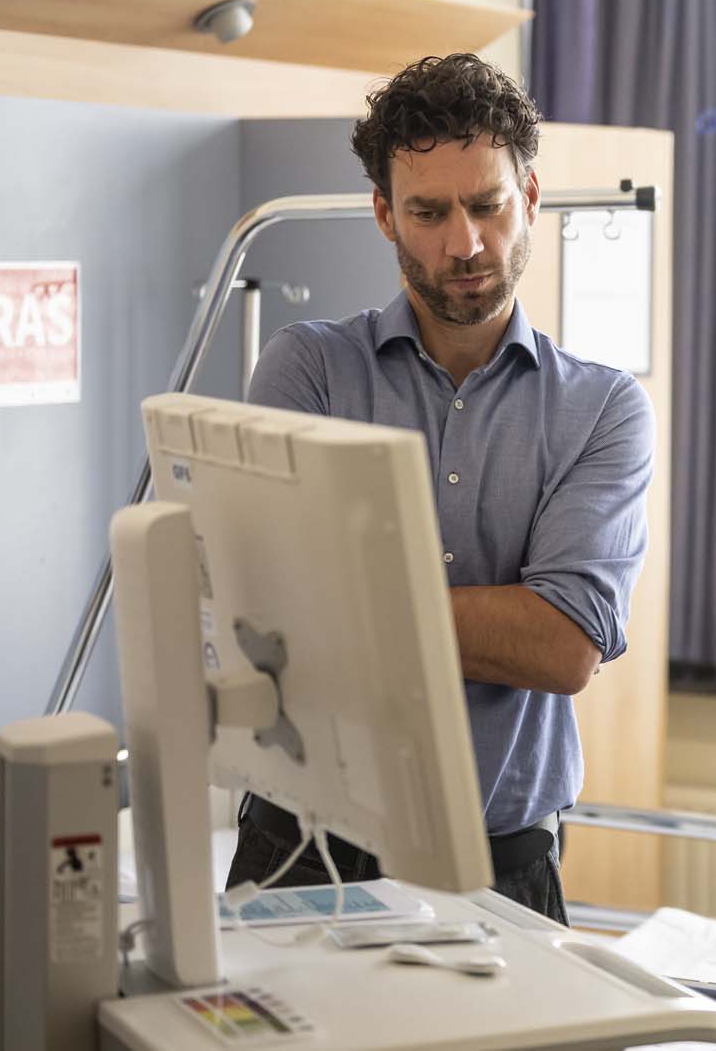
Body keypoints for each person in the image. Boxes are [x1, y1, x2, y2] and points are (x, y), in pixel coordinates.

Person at [223, 53, 656, 925]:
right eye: (427, 211)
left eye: (488, 205)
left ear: (529, 199)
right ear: (384, 213)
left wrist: (348, 601)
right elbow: (268, 606)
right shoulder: (307, 371)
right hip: (297, 852)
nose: (464, 243)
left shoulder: (603, 409)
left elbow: (564, 646)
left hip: (501, 868)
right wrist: (493, 615)